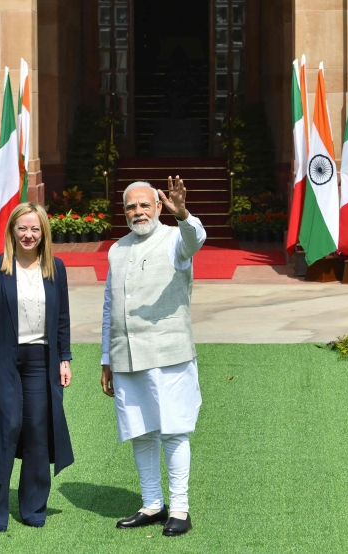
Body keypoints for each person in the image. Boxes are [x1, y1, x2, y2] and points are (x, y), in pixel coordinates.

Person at [101, 176, 206, 537]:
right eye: (131, 206)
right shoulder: (117, 249)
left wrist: (184, 214)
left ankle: (180, 508)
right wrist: (106, 358)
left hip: (169, 353)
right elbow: (109, 307)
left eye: (145, 204)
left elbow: (196, 238)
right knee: (141, 432)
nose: (138, 212)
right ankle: (151, 504)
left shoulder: (177, 238)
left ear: (159, 207)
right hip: (126, 356)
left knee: (174, 431)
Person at [0, 202, 74, 531]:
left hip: (41, 360)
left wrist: (64, 358)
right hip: (3, 360)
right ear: (12, 231)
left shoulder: (55, 269)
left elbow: (62, 320)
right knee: (6, 427)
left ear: (43, 232)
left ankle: (33, 511)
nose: (28, 235)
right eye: (22, 228)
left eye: (34, 229)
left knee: (37, 433)